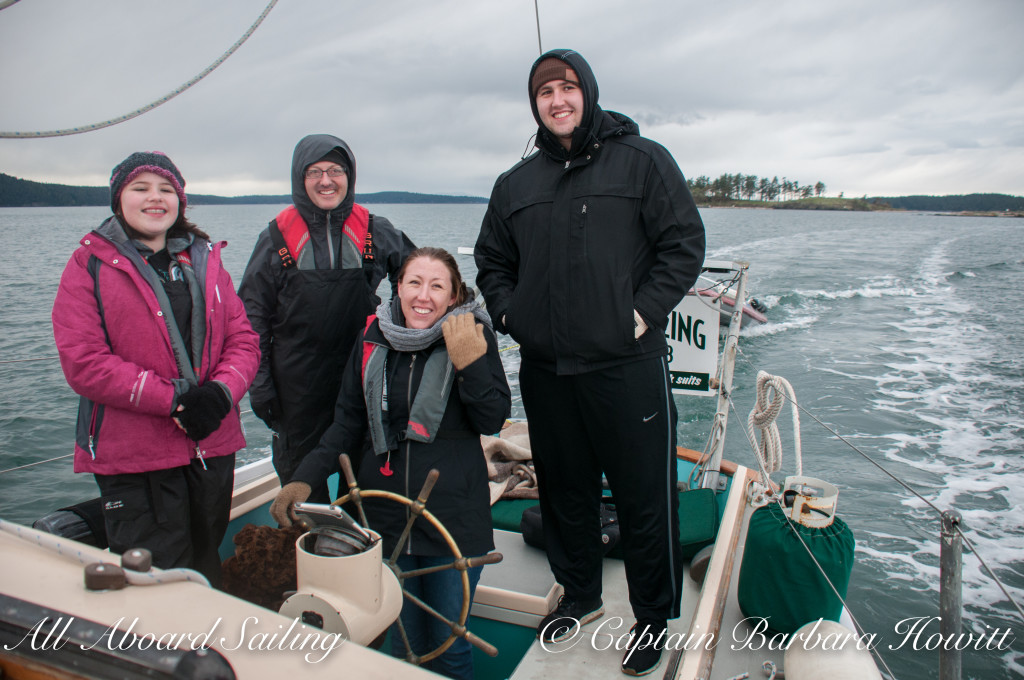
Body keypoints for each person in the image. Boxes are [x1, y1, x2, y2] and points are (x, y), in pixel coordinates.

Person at [474, 49, 706, 676]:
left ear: (589, 92)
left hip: (627, 368)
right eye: (545, 91)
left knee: (645, 498)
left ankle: (652, 618)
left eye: (568, 87)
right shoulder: (515, 185)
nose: (557, 100)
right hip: (548, 372)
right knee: (564, 491)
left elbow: (683, 246)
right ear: (535, 104)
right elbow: (492, 262)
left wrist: (639, 314)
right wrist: (510, 314)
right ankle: (579, 595)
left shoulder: (644, 161)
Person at [270, 247, 510, 680]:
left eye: (438, 286)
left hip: (453, 521)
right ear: (396, 288)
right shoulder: (371, 339)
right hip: (381, 521)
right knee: (399, 645)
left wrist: (470, 364)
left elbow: (492, 419)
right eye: (414, 282)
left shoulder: (473, 335)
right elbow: (345, 423)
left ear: (454, 296)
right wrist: (303, 479)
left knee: (448, 648)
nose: (424, 295)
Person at [52, 151, 260, 587]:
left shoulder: (206, 263)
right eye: (141, 188)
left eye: (166, 189)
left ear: (180, 201)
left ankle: (203, 652)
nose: (155, 198)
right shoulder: (88, 265)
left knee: (204, 567)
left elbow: (243, 340)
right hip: (135, 459)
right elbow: (83, 361)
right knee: (153, 583)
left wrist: (220, 394)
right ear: (118, 199)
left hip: (211, 447)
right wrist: (174, 399)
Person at [239, 134, 415, 503]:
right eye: (314, 172)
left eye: (336, 170)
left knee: (369, 482)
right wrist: (260, 385)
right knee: (304, 486)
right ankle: (314, 550)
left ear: (349, 176)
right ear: (298, 179)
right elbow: (250, 318)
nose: (326, 180)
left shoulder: (375, 230)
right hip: (296, 390)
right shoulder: (274, 238)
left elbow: (418, 280)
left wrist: (406, 340)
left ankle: (365, 551)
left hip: (362, 379)